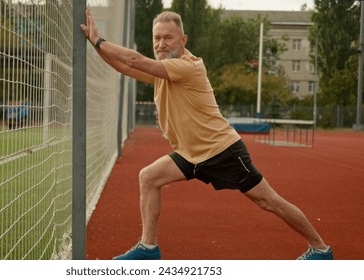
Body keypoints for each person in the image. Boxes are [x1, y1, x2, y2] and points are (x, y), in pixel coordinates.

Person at [80, 9, 333, 260]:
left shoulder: (188, 66)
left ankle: (320, 249)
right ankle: (148, 247)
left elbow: (135, 60)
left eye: (168, 37)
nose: (161, 43)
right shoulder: (162, 71)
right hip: (191, 154)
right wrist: (94, 44)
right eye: (157, 38)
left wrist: (99, 40)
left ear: (183, 40)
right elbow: (124, 67)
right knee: (149, 177)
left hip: (222, 151)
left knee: (270, 202)